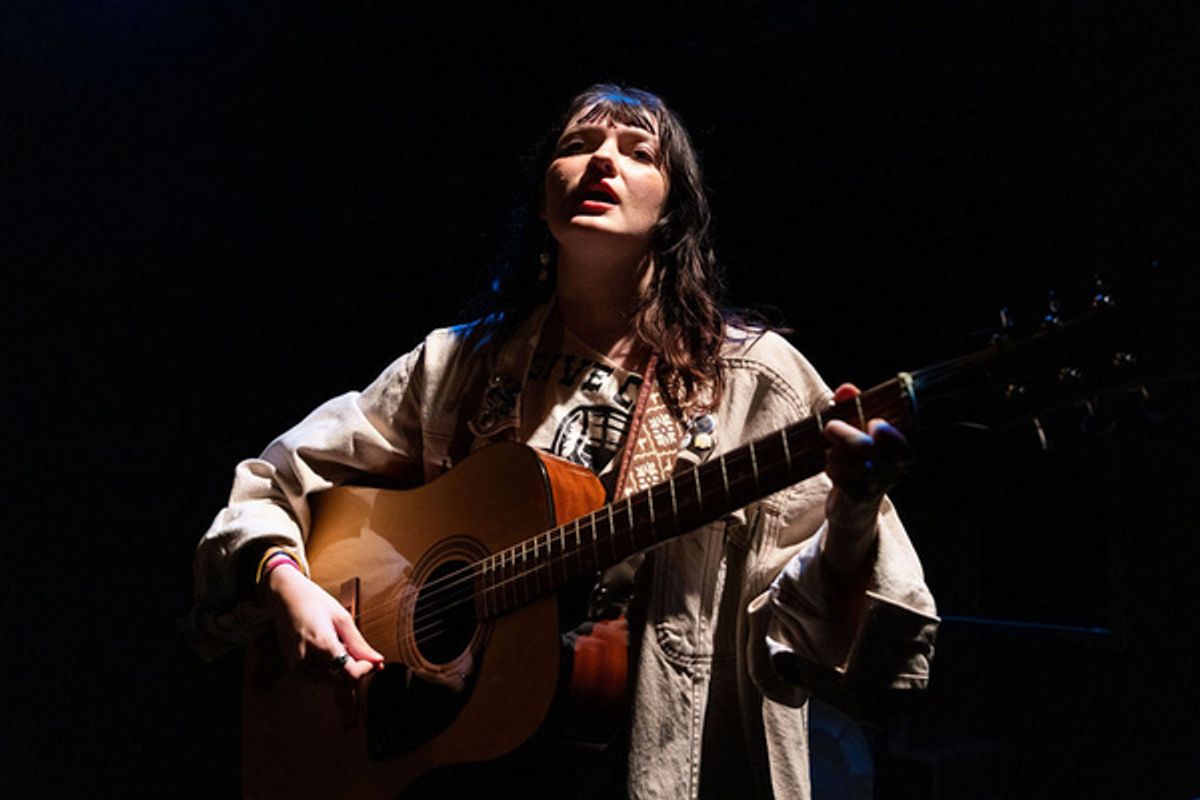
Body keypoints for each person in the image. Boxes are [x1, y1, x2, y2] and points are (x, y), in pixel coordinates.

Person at [184, 84, 938, 799]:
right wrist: (287, 583)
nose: (603, 160)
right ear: (544, 195)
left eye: (639, 151)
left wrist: (854, 507)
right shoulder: (456, 365)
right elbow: (281, 475)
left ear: (674, 211)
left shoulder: (758, 381)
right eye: (578, 144)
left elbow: (812, 638)